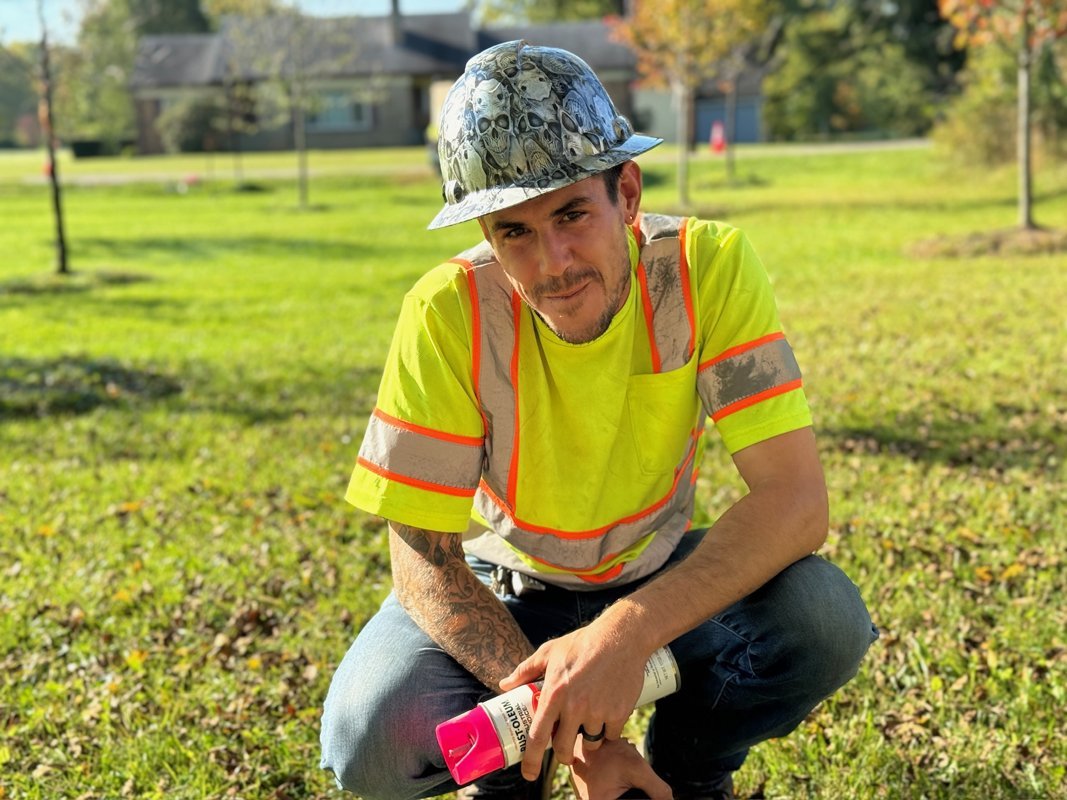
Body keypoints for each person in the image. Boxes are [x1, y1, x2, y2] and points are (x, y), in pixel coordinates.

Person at [320, 40, 877, 800]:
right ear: (485, 236)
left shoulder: (704, 269)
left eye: (572, 213)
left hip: (656, 581)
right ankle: (519, 776)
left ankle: (685, 773)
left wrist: (625, 633)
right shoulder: (445, 312)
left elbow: (794, 501)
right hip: (502, 591)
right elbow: (422, 560)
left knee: (821, 618)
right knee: (369, 737)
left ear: (629, 193)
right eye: (513, 231)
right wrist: (576, 724)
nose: (552, 262)